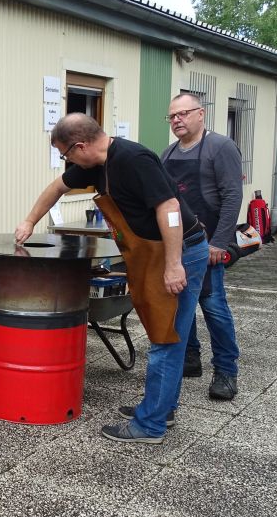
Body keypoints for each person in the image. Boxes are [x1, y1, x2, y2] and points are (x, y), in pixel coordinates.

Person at [15, 114, 208, 444]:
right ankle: (161, 409)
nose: (67, 162)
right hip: (154, 253)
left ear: (80, 146)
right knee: (166, 332)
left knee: (166, 337)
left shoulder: (134, 159)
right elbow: (57, 187)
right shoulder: (94, 165)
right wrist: (29, 221)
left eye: (66, 154)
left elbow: (169, 208)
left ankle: (150, 426)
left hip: (181, 251)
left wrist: (175, 264)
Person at [161, 94, 241, 401]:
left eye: (183, 113)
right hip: (177, 243)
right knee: (181, 303)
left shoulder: (220, 147)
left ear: (201, 114)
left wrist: (219, 243)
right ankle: (190, 358)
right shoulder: (168, 153)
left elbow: (232, 196)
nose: (177, 120)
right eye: (172, 116)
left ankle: (226, 370)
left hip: (209, 243)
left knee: (213, 305)